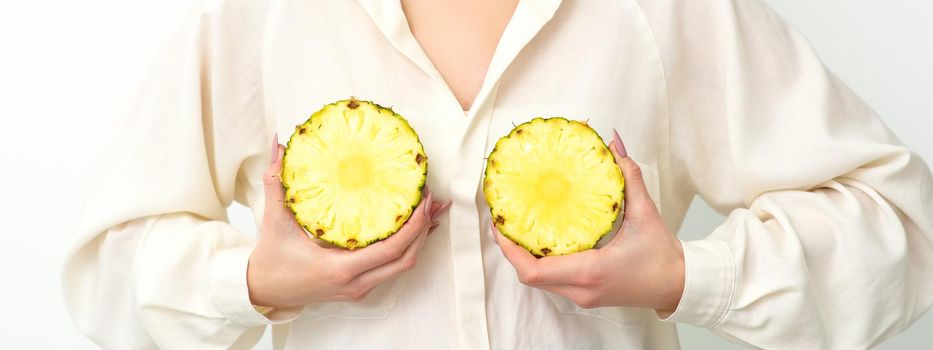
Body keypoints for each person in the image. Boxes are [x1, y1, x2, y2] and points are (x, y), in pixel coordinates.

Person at [63, 0, 933, 349]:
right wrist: (252, 278)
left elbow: (898, 227)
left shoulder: (663, 10)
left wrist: (684, 275)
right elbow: (104, 271)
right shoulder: (260, 14)